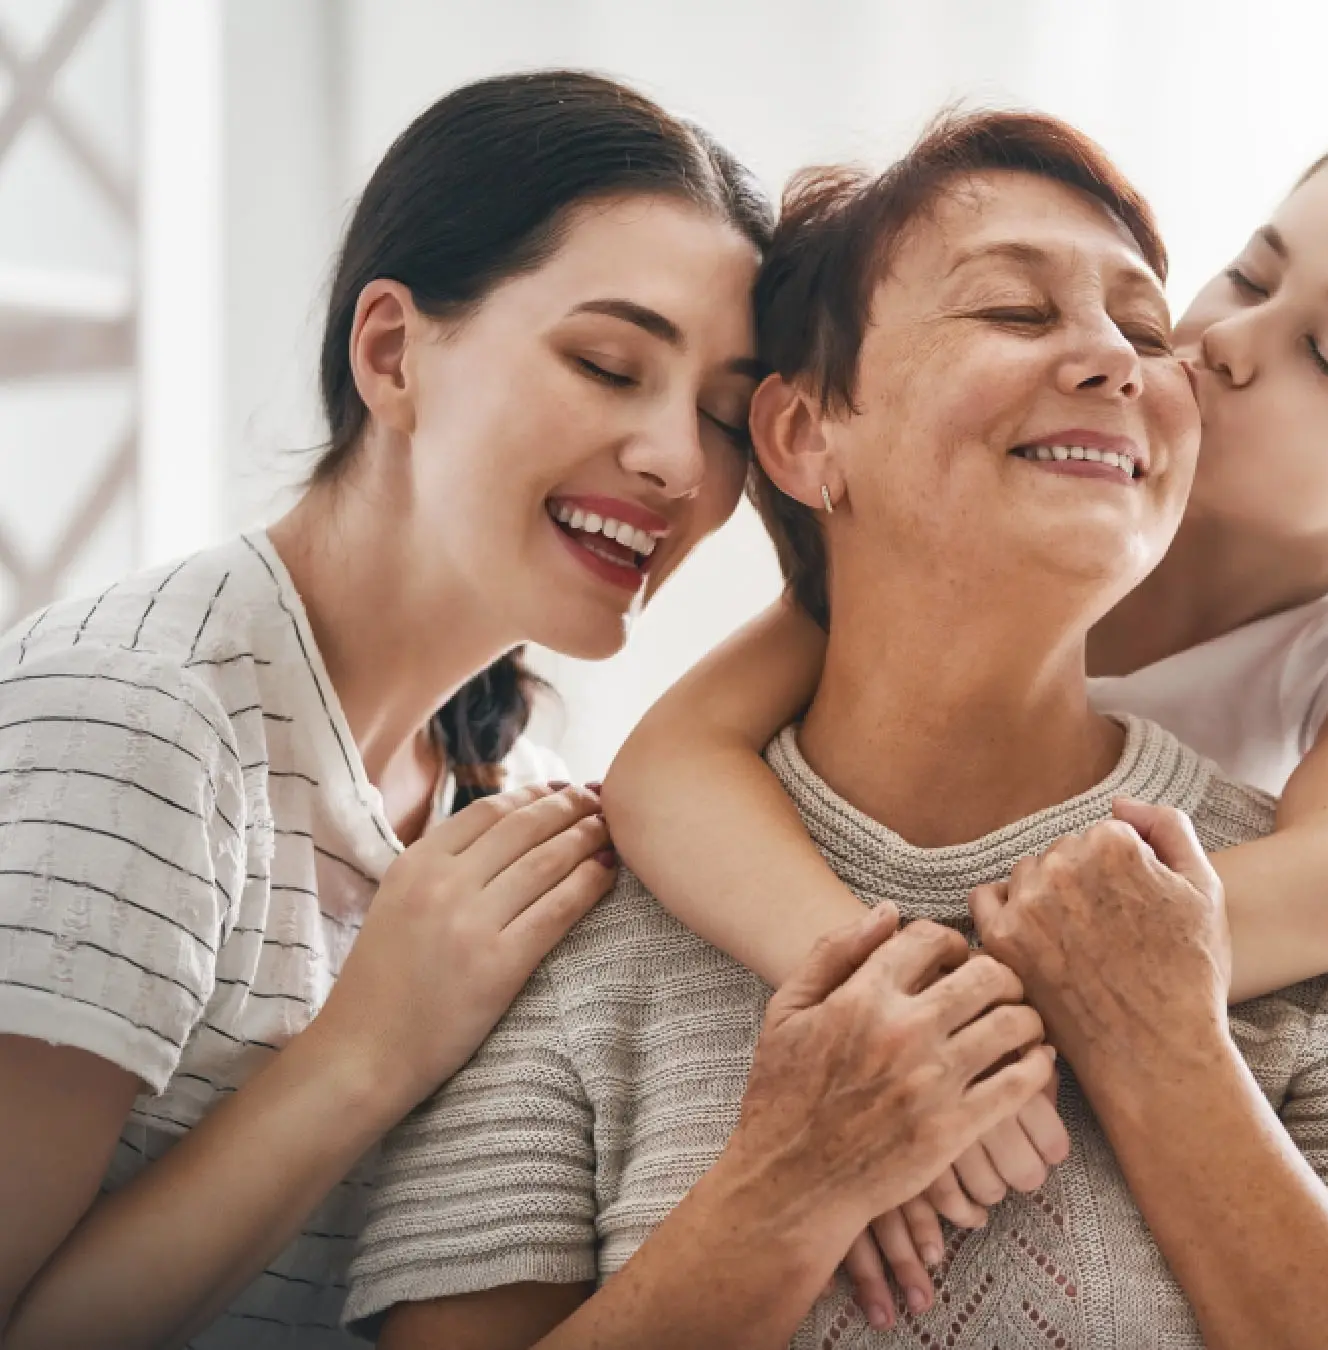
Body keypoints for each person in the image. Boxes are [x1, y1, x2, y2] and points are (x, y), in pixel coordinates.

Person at [349, 109, 1328, 1350]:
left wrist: (1165, 1058)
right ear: (806, 436)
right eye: (1016, 313)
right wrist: (792, 1184)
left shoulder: (1314, 918)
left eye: (1140, 326)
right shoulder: (557, 920)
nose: (1124, 360)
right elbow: (663, 772)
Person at [0, 71, 1005, 1349]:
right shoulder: (138, 725)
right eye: (605, 364)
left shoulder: (515, 797)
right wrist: (368, 1050)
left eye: (718, 415)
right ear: (392, 352)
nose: (678, 463)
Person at [600, 134, 1328, 1317]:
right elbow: (668, 767)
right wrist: (890, 1008)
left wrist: (1049, 1001)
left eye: (1324, 356)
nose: (1224, 344)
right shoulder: (987, 523)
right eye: (1248, 276)